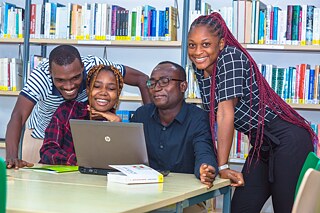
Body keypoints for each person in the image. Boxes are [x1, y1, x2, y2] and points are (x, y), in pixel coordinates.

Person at [188, 12, 316, 213]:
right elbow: (212, 118)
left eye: (205, 44)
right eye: (192, 45)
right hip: (261, 145)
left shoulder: (230, 57)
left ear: (220, 44)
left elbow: (224, 114)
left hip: (288, 140)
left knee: (286, 209)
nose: (197, 51)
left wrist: (222, 167)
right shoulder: (201, 68)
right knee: (240, 208)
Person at [6, 45, 150, 169]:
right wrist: (12, 157)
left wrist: (152, 125)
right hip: (42, 134)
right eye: (60, 80)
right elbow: (18, 116)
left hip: (83, 134)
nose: (69, 86)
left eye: (75, 77)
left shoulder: (96, 67)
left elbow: (142, 79)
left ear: (83, 68)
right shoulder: (40, 77)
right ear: (50, 73)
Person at [131, 61, 218, 188]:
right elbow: (128, 156)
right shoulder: (141, 115)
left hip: (184, 195)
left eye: (164, 81)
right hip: (145, 191)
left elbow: (204, 152)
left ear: (183, 86)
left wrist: (205, 169)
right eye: (152, 83)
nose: (156, 88)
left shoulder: (197, 118)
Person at [40, 64, 123, 165]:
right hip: (63, 179)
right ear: (88, 90)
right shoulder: (67, 111)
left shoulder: (118, 123)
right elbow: (48, 152)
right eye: (96, 86)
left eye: (111, 88)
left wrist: (116, 125)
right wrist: (82, 161)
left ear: (118, 94)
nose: (103, 92)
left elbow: (120, 162)